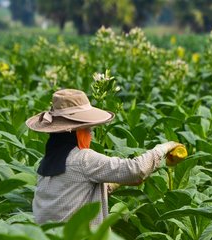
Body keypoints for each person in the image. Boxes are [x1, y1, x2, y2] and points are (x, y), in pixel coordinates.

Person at [26, 89, 180, 225]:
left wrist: (115, 182)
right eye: (89, 130)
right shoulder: (83, 159)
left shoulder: (46, 162)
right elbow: (136, 170)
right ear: (78, 133)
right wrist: (164, 148)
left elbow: (73, 192)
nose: (91, 135)